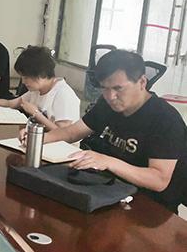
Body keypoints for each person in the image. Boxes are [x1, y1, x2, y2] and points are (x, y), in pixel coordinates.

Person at [28, 50, 186, 213]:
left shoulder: (165, 119)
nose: (111, 96)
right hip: (107, 191)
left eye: (118, 88)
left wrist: (108, 162)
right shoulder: (107, 105)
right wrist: (37, 137)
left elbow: (159, 180)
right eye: (104, 88)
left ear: (142, 82)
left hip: (149, 208)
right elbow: (72, 132)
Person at [0, 46, 79, 130]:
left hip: (62, 148)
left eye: (26, 77)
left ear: (41, 74)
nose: (23, 82)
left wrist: (36, 113)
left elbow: (64, 134)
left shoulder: (63, 94)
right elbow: (10, 103)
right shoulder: (36, 90)